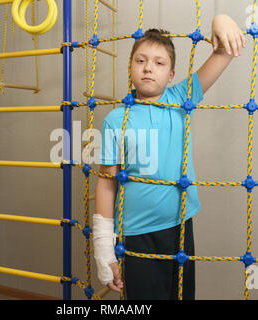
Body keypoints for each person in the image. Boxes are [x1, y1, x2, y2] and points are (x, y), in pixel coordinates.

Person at [93, 14, 246, 300]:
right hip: (136, 235)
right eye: (140, 60)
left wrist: (221, 19)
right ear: (130, 68)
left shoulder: (180, 98)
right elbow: (106, 183)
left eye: (159, 63)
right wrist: (104, 249)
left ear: (171, 75)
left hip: (180, 227)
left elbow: (224, 52)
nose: (148, 68)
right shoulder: (116, 120)